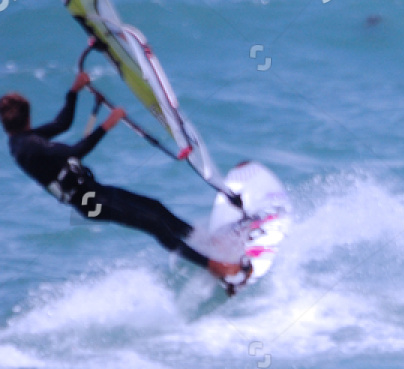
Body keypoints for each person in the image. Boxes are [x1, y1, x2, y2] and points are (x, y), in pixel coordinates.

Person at [1, 72, 246, 282]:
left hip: (93, 193)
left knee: (155, 207)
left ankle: (208, 243)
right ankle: (215, 268)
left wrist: (74, 91)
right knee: (154, 223)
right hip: (90, 202)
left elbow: (61, 123)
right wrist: (107, 124)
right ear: (28, 116)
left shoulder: (21, 139)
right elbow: (77, 151)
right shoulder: (28, 147)